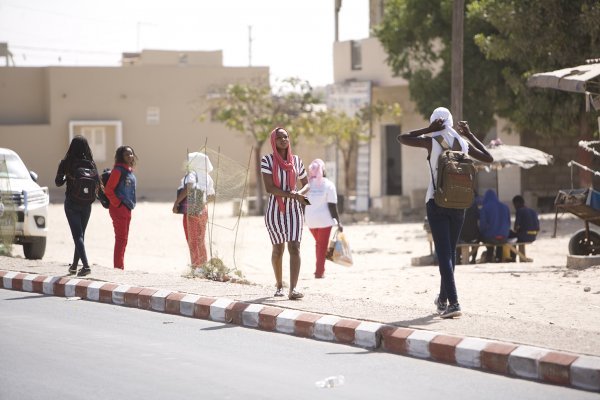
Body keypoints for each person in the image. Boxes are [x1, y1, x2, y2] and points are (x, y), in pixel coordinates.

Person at [397, 107, 492, 319]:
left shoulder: (431, 141)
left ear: (435, 121)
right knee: (450, 253)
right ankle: (443, 300)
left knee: (444, 255)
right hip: (459, 204)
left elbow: (401, 137)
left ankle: (454, 302)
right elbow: (488, 157)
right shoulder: (462, 143)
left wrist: (428, 129)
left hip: (436, 202)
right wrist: (469, 135)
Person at [261, 127, 310, 300]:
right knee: (278, 249)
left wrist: (300, 193)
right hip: (275, 211)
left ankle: (294, 289)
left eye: (286, 137)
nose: (284, 139)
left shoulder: (296, 161)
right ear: (273, 141)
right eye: (280, 137)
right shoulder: (267, 161)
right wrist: (291, 194)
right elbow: (269, 188)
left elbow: (307, 183)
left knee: (294, 247)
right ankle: (280, 285)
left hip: (294, 210)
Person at [55, 135, 100, 277]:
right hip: (87, 204)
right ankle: (74, 267)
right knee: (80, 235)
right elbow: (98, 183)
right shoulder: (91, 163)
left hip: (71, 203)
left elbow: (57, 182)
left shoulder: (66, 162)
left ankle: (86, 266)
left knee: (77, 235)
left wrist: (65, 176)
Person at [172, 151, 215, 271]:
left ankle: (196, 267)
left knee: (192, 239)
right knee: (201, 239)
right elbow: (212, 196)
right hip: (203, 208)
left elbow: (189, 185)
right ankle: (204, 265)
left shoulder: (192, 173)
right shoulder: (207, 176)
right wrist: (202, 202)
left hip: (192, 206)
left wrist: (177, 202)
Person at [304, 159, 343, 279]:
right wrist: (338, 221)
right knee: (321, 246)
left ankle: (320, 269)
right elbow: (332, 205)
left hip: (310, 221)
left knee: (319, 244)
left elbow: (302, 202)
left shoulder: (307, 185)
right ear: (323, 170)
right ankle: (319, 272)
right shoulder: (329, 185)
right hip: (324, 221)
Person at [105, 145, 138, 270]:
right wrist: (118, 204)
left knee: (124, 239)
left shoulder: (129, 170)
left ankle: (120, 266)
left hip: (127, 208)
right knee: (120, 239)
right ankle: (118, 268)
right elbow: (108, 190)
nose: (130, 156)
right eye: (126, 154)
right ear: (121, 157)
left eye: (131, 153)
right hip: (119, 208)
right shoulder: (118, 170)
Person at [479, 189, 511, 262]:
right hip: (504, 238)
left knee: (486, 237)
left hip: (491, 238)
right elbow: (508, 223)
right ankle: (498, 257)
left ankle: (489, 256)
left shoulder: (485, 208)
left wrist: (481, 233)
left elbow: (483, 225)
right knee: (499, 237)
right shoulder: (505, 207)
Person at [458, 195, 480, 264]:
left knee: (456, 239)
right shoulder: (475, 208)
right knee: (477, 239)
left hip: (462, 237)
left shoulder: (460, 208)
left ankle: (458, 258)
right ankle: (473, 258)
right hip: (473, 237)